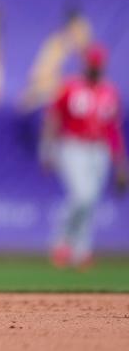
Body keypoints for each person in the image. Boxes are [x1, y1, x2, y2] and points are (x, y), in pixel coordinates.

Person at [41, 43, 128, 269]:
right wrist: (47, 149)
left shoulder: (110, 91)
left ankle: (82, 251)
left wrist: (120, 164)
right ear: (85, 65)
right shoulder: (70, 87)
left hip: (99, 149)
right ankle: (62, 242)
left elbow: (113, 128)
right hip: (73, 146)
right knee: (82, 195)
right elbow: (53, 118)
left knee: (90, 201)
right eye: (92, 64)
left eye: (98, 65)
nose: (95, 68)